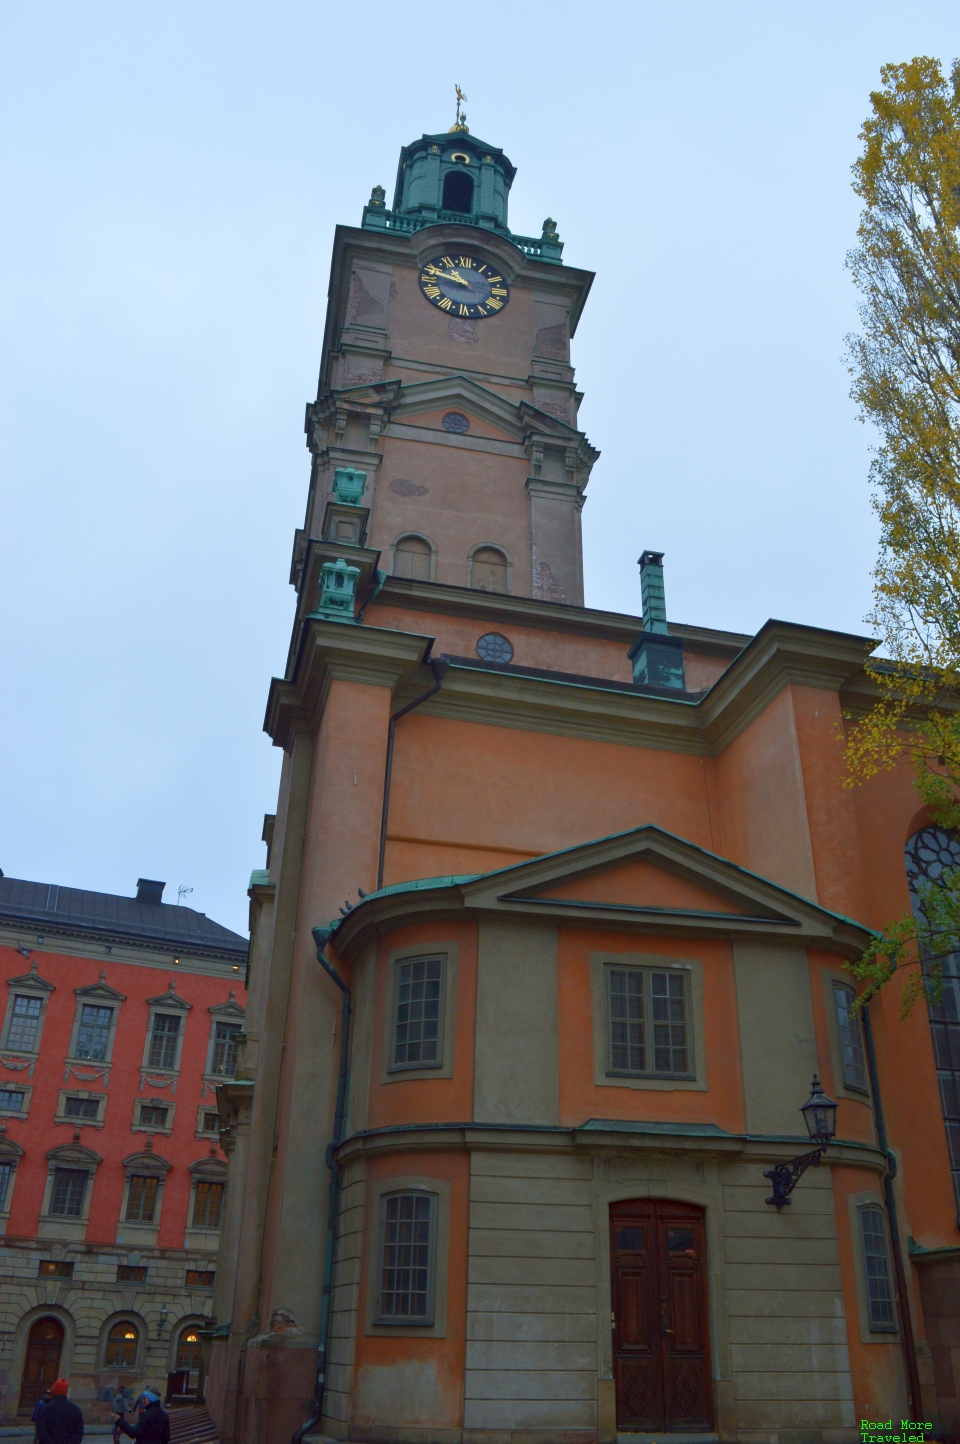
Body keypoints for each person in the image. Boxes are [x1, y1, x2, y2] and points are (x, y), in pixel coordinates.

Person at [37, 1380, 83, 1444]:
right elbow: (79, 1433)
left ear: (53, 1391)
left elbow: (41, 1432)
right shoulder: (76, 1410)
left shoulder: (45, 1409)